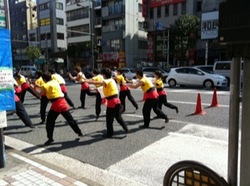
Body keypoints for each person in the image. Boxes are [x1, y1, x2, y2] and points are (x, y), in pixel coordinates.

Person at [40, 72, 83, 145]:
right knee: (70, 119)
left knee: (50, 122)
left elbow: (39, 94)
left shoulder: (45, 85)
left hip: (56, 105)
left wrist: (31, 87)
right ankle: (79, 132)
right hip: (62, 102)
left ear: (44, 79)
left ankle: (50, 138)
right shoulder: (55, 82)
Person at [85, 68, 129, 137]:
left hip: (112, 102)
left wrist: (88, 81)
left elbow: (100, 83)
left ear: (104, 75)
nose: (102, 76)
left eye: (102, 74)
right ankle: (126, 128)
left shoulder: (108, 80)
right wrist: (94, 88)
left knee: (109, 118)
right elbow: (102, 87)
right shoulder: (111, 80)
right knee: (117, 116)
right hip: (116, 100)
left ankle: (110, 133)